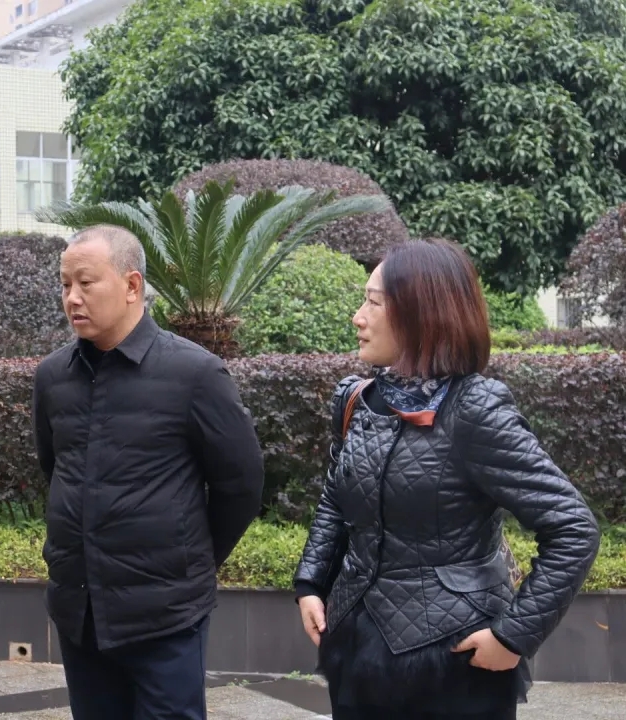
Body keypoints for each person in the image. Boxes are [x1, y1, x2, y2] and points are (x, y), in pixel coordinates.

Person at [292, 238, 601, 720]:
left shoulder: (474, 409)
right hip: (357, 651)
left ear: (422, 314)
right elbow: (337, 495)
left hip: (452, 664)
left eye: (374, 302)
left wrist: (513, 636)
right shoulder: (357, 399)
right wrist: (311, 582)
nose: (358, 317)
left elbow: (573, 528)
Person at [31, 224, 265, 720]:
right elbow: (56, 470)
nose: (72, 298)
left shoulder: (195, 374)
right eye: (65, 284)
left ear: (132, 285)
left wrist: (189, 561)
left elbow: (241, 486)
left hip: (166, 619)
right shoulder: (53, 376)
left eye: (86, 283)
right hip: (80, 613)